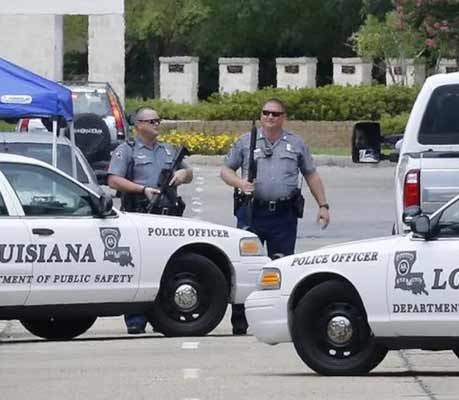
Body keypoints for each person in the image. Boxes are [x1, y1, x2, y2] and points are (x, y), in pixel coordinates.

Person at [220, 98, 330, 335]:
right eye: (266, 113)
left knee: (281, 266)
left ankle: (280, 318)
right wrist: (240, 183)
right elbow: (225, 170)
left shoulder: (295, 143)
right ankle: (240, 320)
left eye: (275, 114)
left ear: (283, 118)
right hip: (252, 212)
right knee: (247, 267)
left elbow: (311, 175)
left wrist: (323, 205)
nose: (270, 117)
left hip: (283, 215)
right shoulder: (245, 141)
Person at [107, 106, 193, 334]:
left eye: (158, 120)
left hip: (168, 217)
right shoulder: (128, 150)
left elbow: (188, 173)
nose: (156, 124)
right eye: (151, 121)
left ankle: (162, 315)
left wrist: (183, 174)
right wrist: (141, 189)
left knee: (167, 267)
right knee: (139, 267)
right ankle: (135, 319)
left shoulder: (167, 150)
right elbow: (113, 180)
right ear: (139, 125)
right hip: (140, 214)